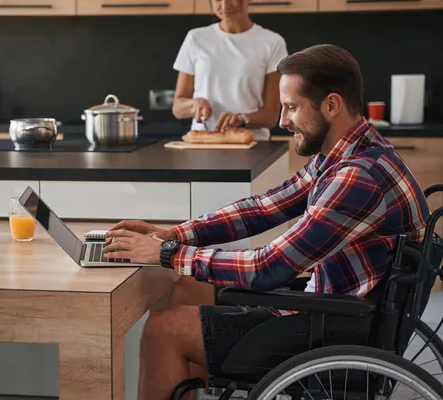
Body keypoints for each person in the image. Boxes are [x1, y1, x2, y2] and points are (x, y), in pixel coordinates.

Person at [103, 44, 431, 400]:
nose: (282, 121)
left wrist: (169, 253)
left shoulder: (357, 177)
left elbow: (269, 267)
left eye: (291, 107)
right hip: (337, 307)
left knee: (162, 330)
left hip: (334, 327)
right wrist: (174, 234)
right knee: (183, 289)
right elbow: (263, 208)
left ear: (332, 105)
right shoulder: (349, 153)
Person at [171, 0, 288, 140]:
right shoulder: (196, 38)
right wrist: (194, 104)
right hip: (203, 142)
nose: (225, 6)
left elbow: (270, 116)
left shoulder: (272, 42)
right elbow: (178, 108)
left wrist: (242, 119)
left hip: (251, 143)